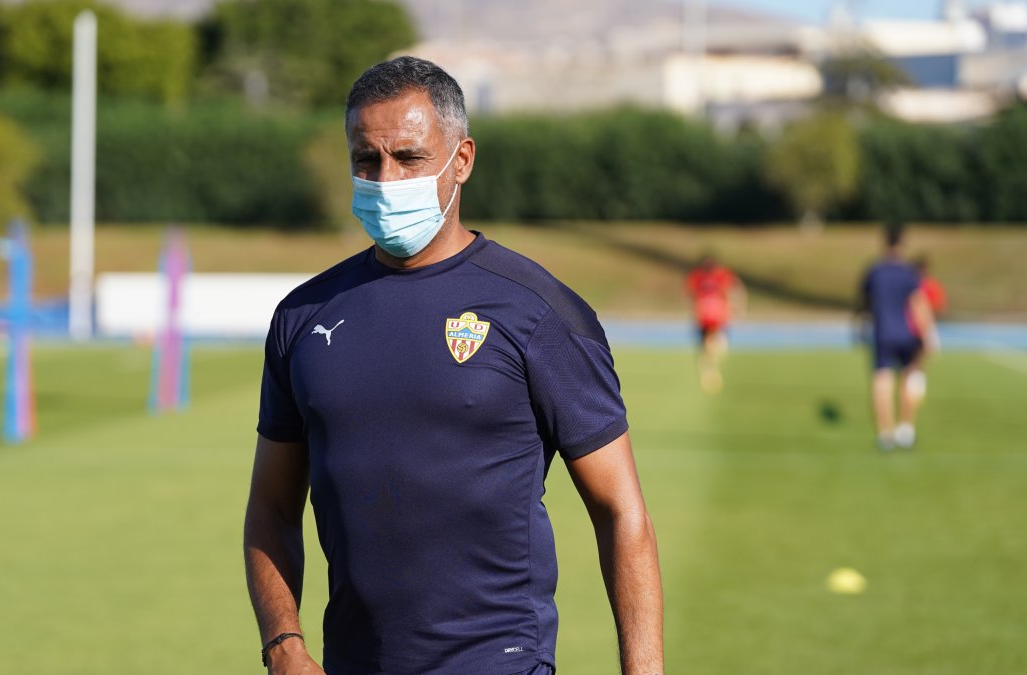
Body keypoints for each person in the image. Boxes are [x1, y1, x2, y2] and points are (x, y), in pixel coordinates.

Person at [244, 56, 663, 675]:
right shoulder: (303, 316)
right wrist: (284, 645)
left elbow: (621, 511)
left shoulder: (539, 312)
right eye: (366, 160)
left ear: (460, 160)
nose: (385, 179)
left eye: (409, 158)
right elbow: (272, 508)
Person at [857, 224, 938, 450]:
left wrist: (861, 325)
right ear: (902, 244)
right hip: (906, 333)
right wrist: (928, 334)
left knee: (882, 380)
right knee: (909, 378)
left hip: (883, 332)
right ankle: (906, 428)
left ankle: (885, 434)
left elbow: (865, 303)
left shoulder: (875, 271)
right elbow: (918, 304)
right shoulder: (909, 273)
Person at [685, 253, 746, 393]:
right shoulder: (697, 276)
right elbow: (691, 295)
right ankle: (709, 373)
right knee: (706, 348)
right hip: (704, 318)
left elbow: (736, 289)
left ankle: (710, 370)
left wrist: (738, 308)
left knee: (718, 347)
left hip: (719, 317)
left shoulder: (723, 275)